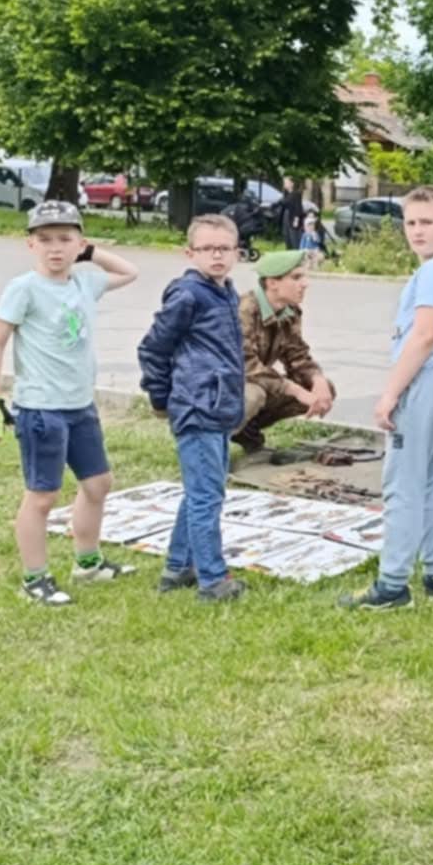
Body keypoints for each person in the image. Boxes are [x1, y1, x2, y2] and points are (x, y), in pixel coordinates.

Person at [0, 200, 142, 605]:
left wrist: (90, 253)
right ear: (30, 244)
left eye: (65, 239)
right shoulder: (24, 289)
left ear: (79, 244)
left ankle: (88, 563)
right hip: (41, 409)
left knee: (98, 484)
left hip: (80, 405)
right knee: (42, 496)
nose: (55, 248)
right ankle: (35, 579)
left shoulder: (85, 284)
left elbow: (129, 272)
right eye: (45, 239)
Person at [343, 186, 433, 609]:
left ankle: (393, 583)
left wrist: (390, 394)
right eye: (411, 222)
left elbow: (425, 335)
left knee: (402, 484)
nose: (417, 231)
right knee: (430, 477)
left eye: (427, 222)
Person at [137, 213, 248, 604]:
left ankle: (178, 566)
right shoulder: (188, 295)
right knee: (206, 498)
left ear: (237, 252)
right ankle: (213, 580)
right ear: (190, 253)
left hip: (220, 407)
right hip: (196, 407)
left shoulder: (225, 291)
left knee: (203, 491)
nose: (217, 255)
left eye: (224, 248)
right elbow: (153, 348)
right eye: (208, 248)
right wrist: (160, 397)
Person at [235, 249, 337, 452]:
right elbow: (244, 365)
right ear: (272, 283)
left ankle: (246, 430)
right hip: (218, 387)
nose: (305, 283)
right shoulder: (244, 310)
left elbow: (297, 355)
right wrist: (295, 390)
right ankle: (209, 445)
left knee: (322, 388)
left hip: (256, 380)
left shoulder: (289, 311)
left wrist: (318, 380)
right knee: (253, 395)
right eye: (296, 277)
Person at [278, 176, 305, 252]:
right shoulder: (286, 194)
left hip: (292, 217)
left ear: (292, 184)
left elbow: (298, 207)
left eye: (286, 182)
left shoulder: (296, 194)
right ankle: (289, 253)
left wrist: (296, 219)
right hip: (285, 217)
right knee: (287, 236)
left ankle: (296, 253)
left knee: (294, 237)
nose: (284, 184)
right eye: (284, 182)